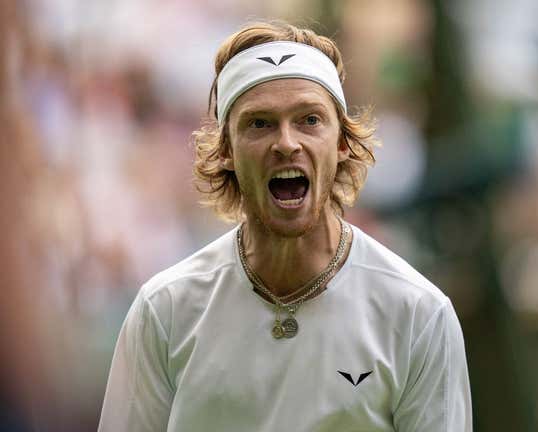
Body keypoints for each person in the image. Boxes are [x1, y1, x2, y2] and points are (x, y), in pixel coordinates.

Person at [98, 21, 472, 432]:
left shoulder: (419, 314)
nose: (287, 143)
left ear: (342, 142)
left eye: (309, 120)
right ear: (225, 150)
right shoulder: (163, 311)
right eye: (260, 123)